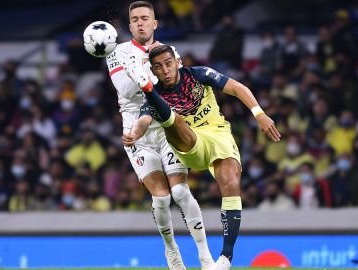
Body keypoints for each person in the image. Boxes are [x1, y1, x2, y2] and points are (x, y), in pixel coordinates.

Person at [122, 45, 281, 270]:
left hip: (218, 135)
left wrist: (259, 114)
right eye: (158, 67)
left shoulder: (199, 74)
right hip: (189, 142)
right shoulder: (155, 99)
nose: (165, 70)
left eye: (168, 63)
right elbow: (143, 121)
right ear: (153, 72)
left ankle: (225, 259)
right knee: (174, 119)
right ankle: (150, 92)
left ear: (177, 62)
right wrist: (133, 135)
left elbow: (236, 87)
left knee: (231, 183)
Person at [105, 2, 213, 270]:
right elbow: (127, 90)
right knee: (162, 198)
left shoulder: (169, 52)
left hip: (167, 127)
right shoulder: (116, 52)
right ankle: (171, 251)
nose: (140, 23)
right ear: (130, 26)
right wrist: (145, 66)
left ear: (155, 23)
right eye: (134, 19)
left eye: (145, 18)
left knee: (180, 190)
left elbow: (174, 85)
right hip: (137, 133)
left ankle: (204, 255)